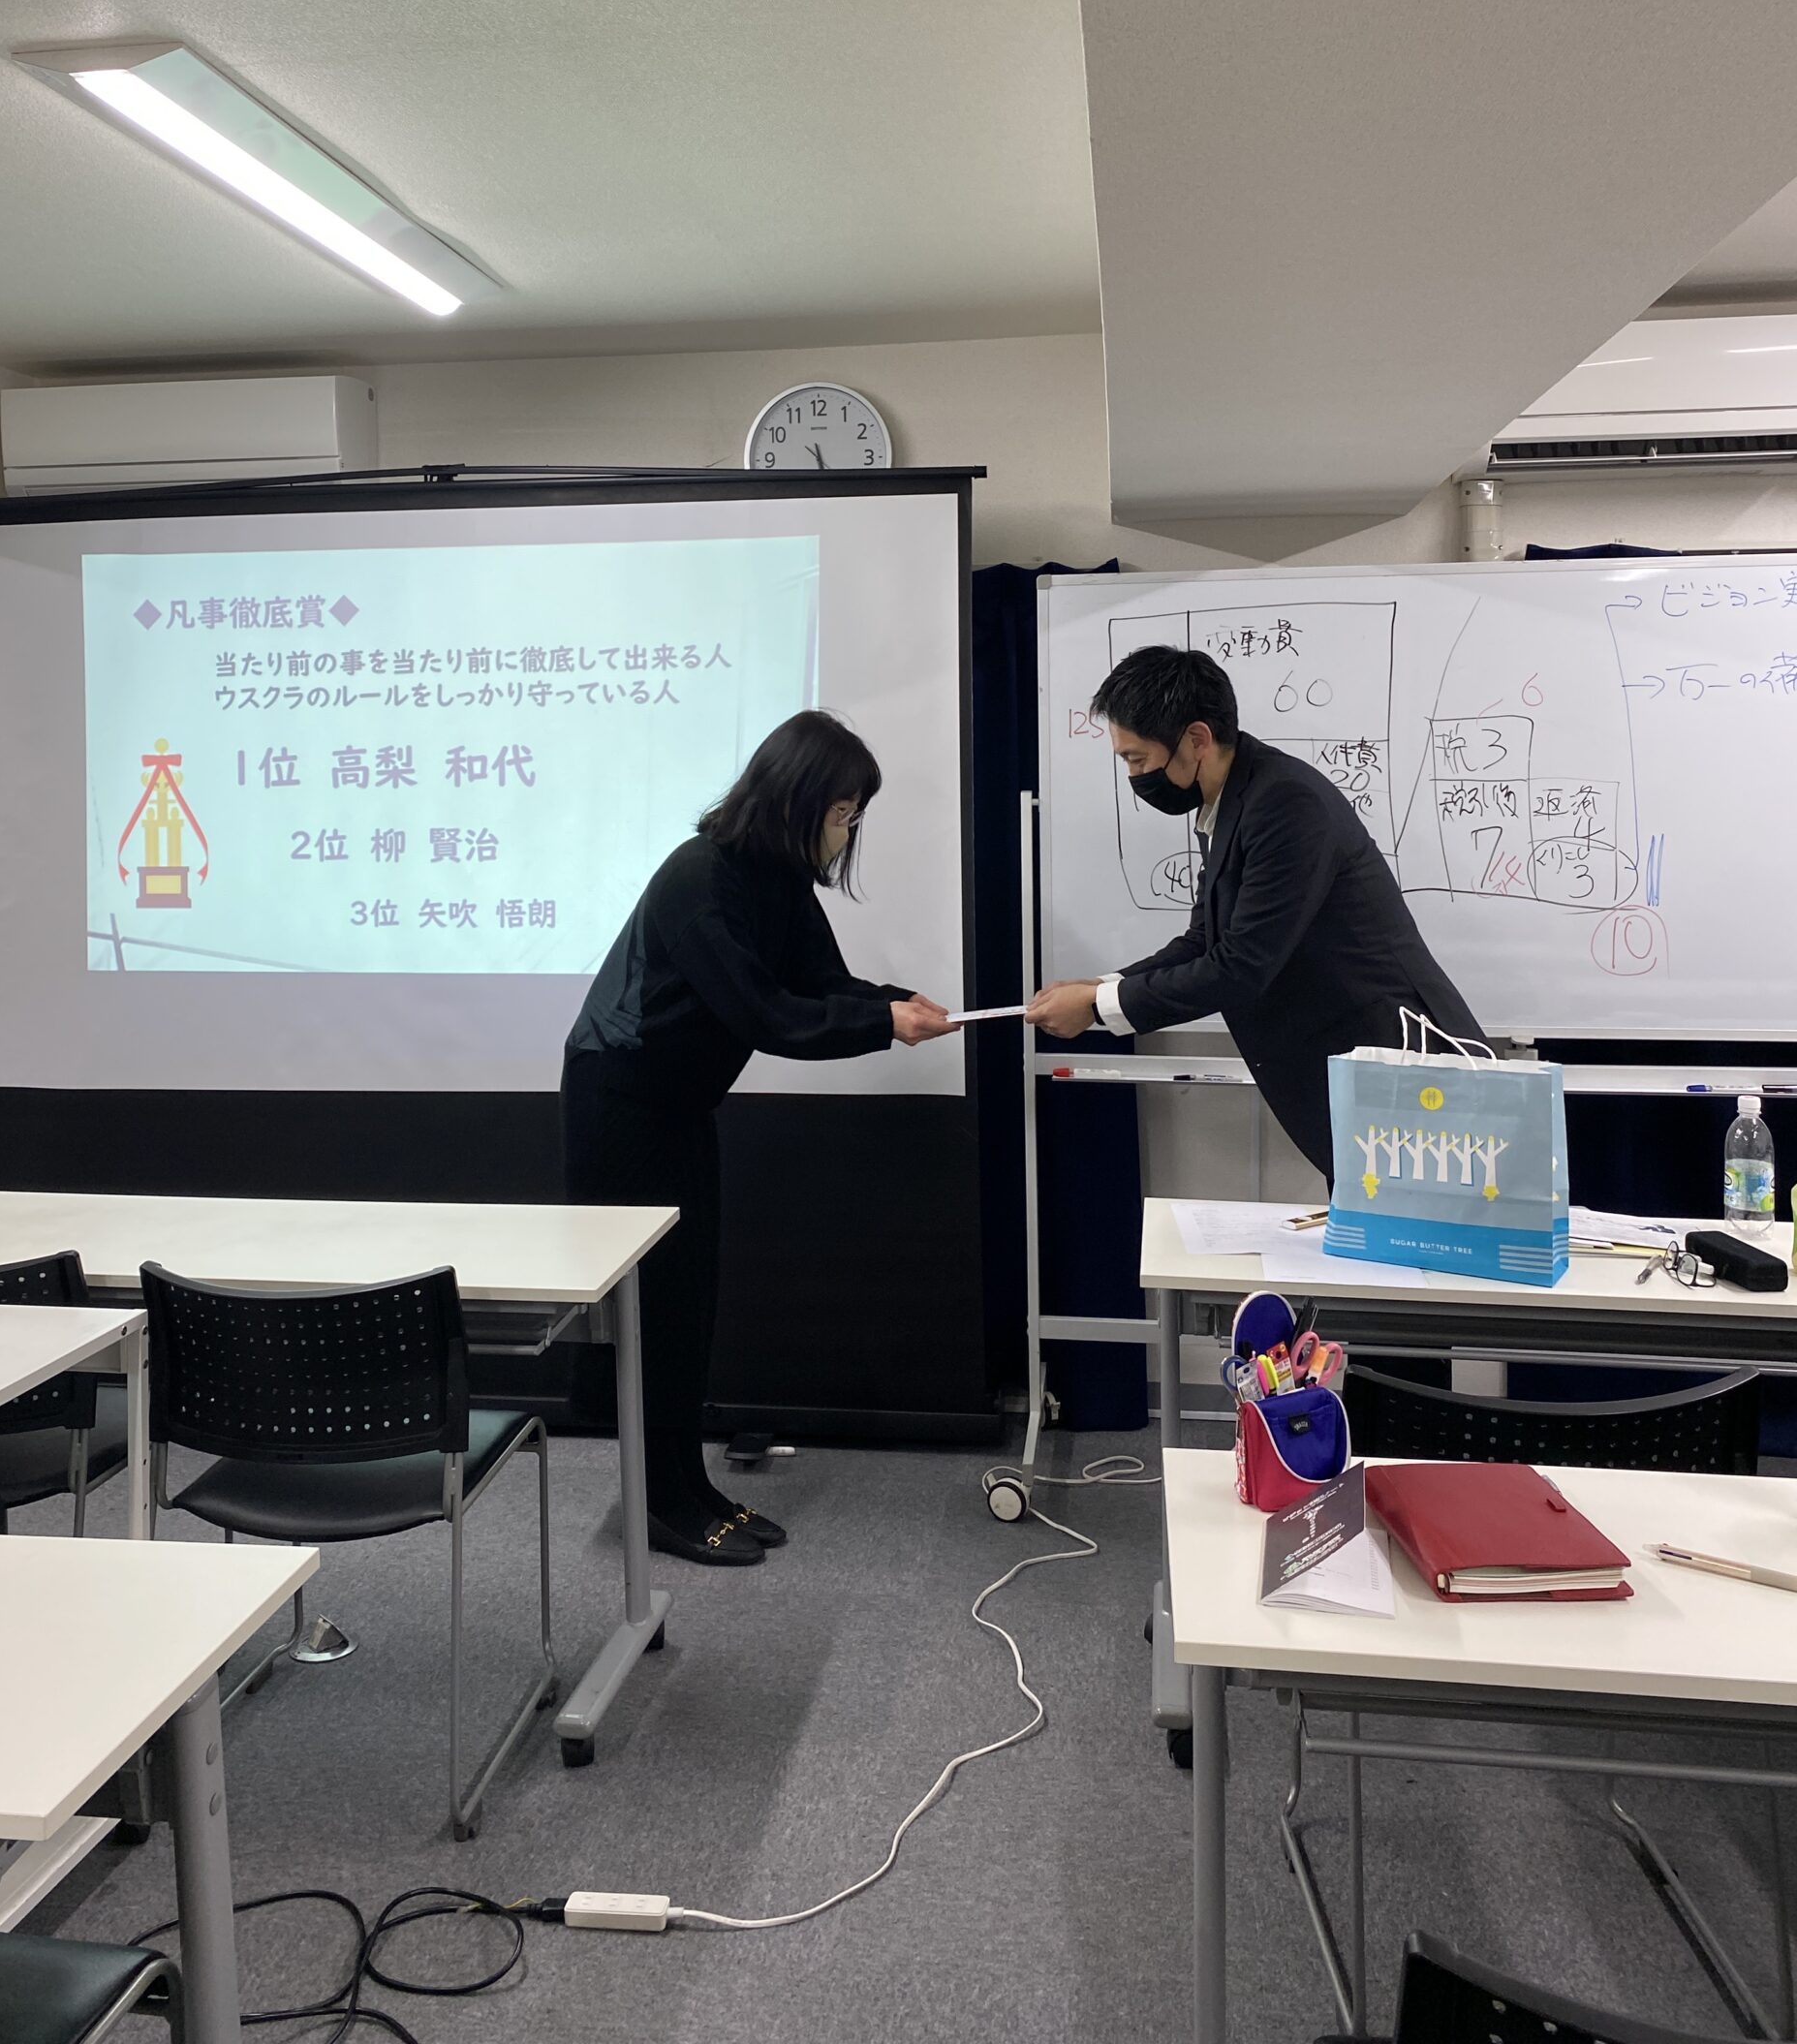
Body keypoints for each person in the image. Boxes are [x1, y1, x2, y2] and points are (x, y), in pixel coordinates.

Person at [562, 709, 955, 1565]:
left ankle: (686, 1485)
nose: (849, 830)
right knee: (654, 1307)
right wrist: (882, 1024)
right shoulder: (698, 878)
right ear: (798, 800)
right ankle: (659, 1502)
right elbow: (765, 1014)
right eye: (844, 811)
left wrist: (897, 1003)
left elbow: (821, 982)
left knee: (690, 1299)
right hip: (621, 1106)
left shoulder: (777, 879)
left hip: (679, 1106)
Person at [1026, 646, 1481, 1182]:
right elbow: (1204, 940)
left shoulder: (1285, 802)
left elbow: (1242, 966)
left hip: (1400, 1067)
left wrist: (1100, 1006)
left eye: (1138, 759)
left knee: (1420, 1225)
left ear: (1196, 739)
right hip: (1356, 1073)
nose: (1135, 775)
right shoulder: (1230, 802)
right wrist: (1105, 985)